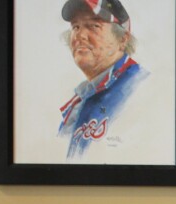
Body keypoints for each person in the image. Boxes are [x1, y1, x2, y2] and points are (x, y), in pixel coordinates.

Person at [57, 0, 148, 160]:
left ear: (122, 39)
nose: (80, 35)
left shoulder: (141, 88)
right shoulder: (79, 100)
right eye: (75, 27)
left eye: (94, 26)